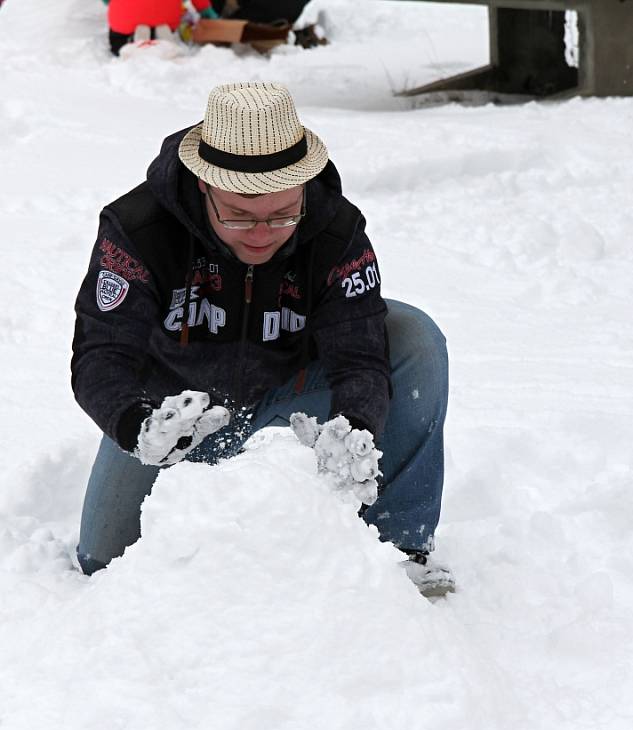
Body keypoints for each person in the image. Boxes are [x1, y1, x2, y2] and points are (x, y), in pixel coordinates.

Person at [72, 82, 453, 597]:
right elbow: (100, 356)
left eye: (281, 215)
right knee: (106, 566)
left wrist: (355, 427)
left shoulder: (336, 229)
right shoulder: (138, 229)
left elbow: (360, 355)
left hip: (291, 406)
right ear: (204, 186)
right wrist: (138, 425)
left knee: (411, 336)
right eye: (239, 215)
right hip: (174, 420)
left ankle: (400, 547)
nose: (261, 234)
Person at [103, 0, 219, 56]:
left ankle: (134, 39)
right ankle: (158, 34)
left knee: (118, 40)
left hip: (126, 20)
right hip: (166, 18)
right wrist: (205, 10)